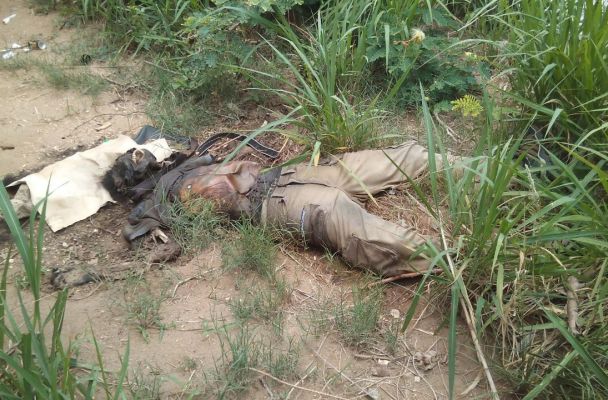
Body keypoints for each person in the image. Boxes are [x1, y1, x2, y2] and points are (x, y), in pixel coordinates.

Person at [110, 141, 458, 277]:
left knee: (393, 160)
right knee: (341, 215)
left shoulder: (184, 163)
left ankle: (480, 169)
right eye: (131, 160)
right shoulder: (152, 203)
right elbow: (135, 234)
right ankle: (454, 260)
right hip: (273, 207)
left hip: (287, 174)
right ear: (127, 185)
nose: (138, 155)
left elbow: (199, 153)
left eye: (136, 152)